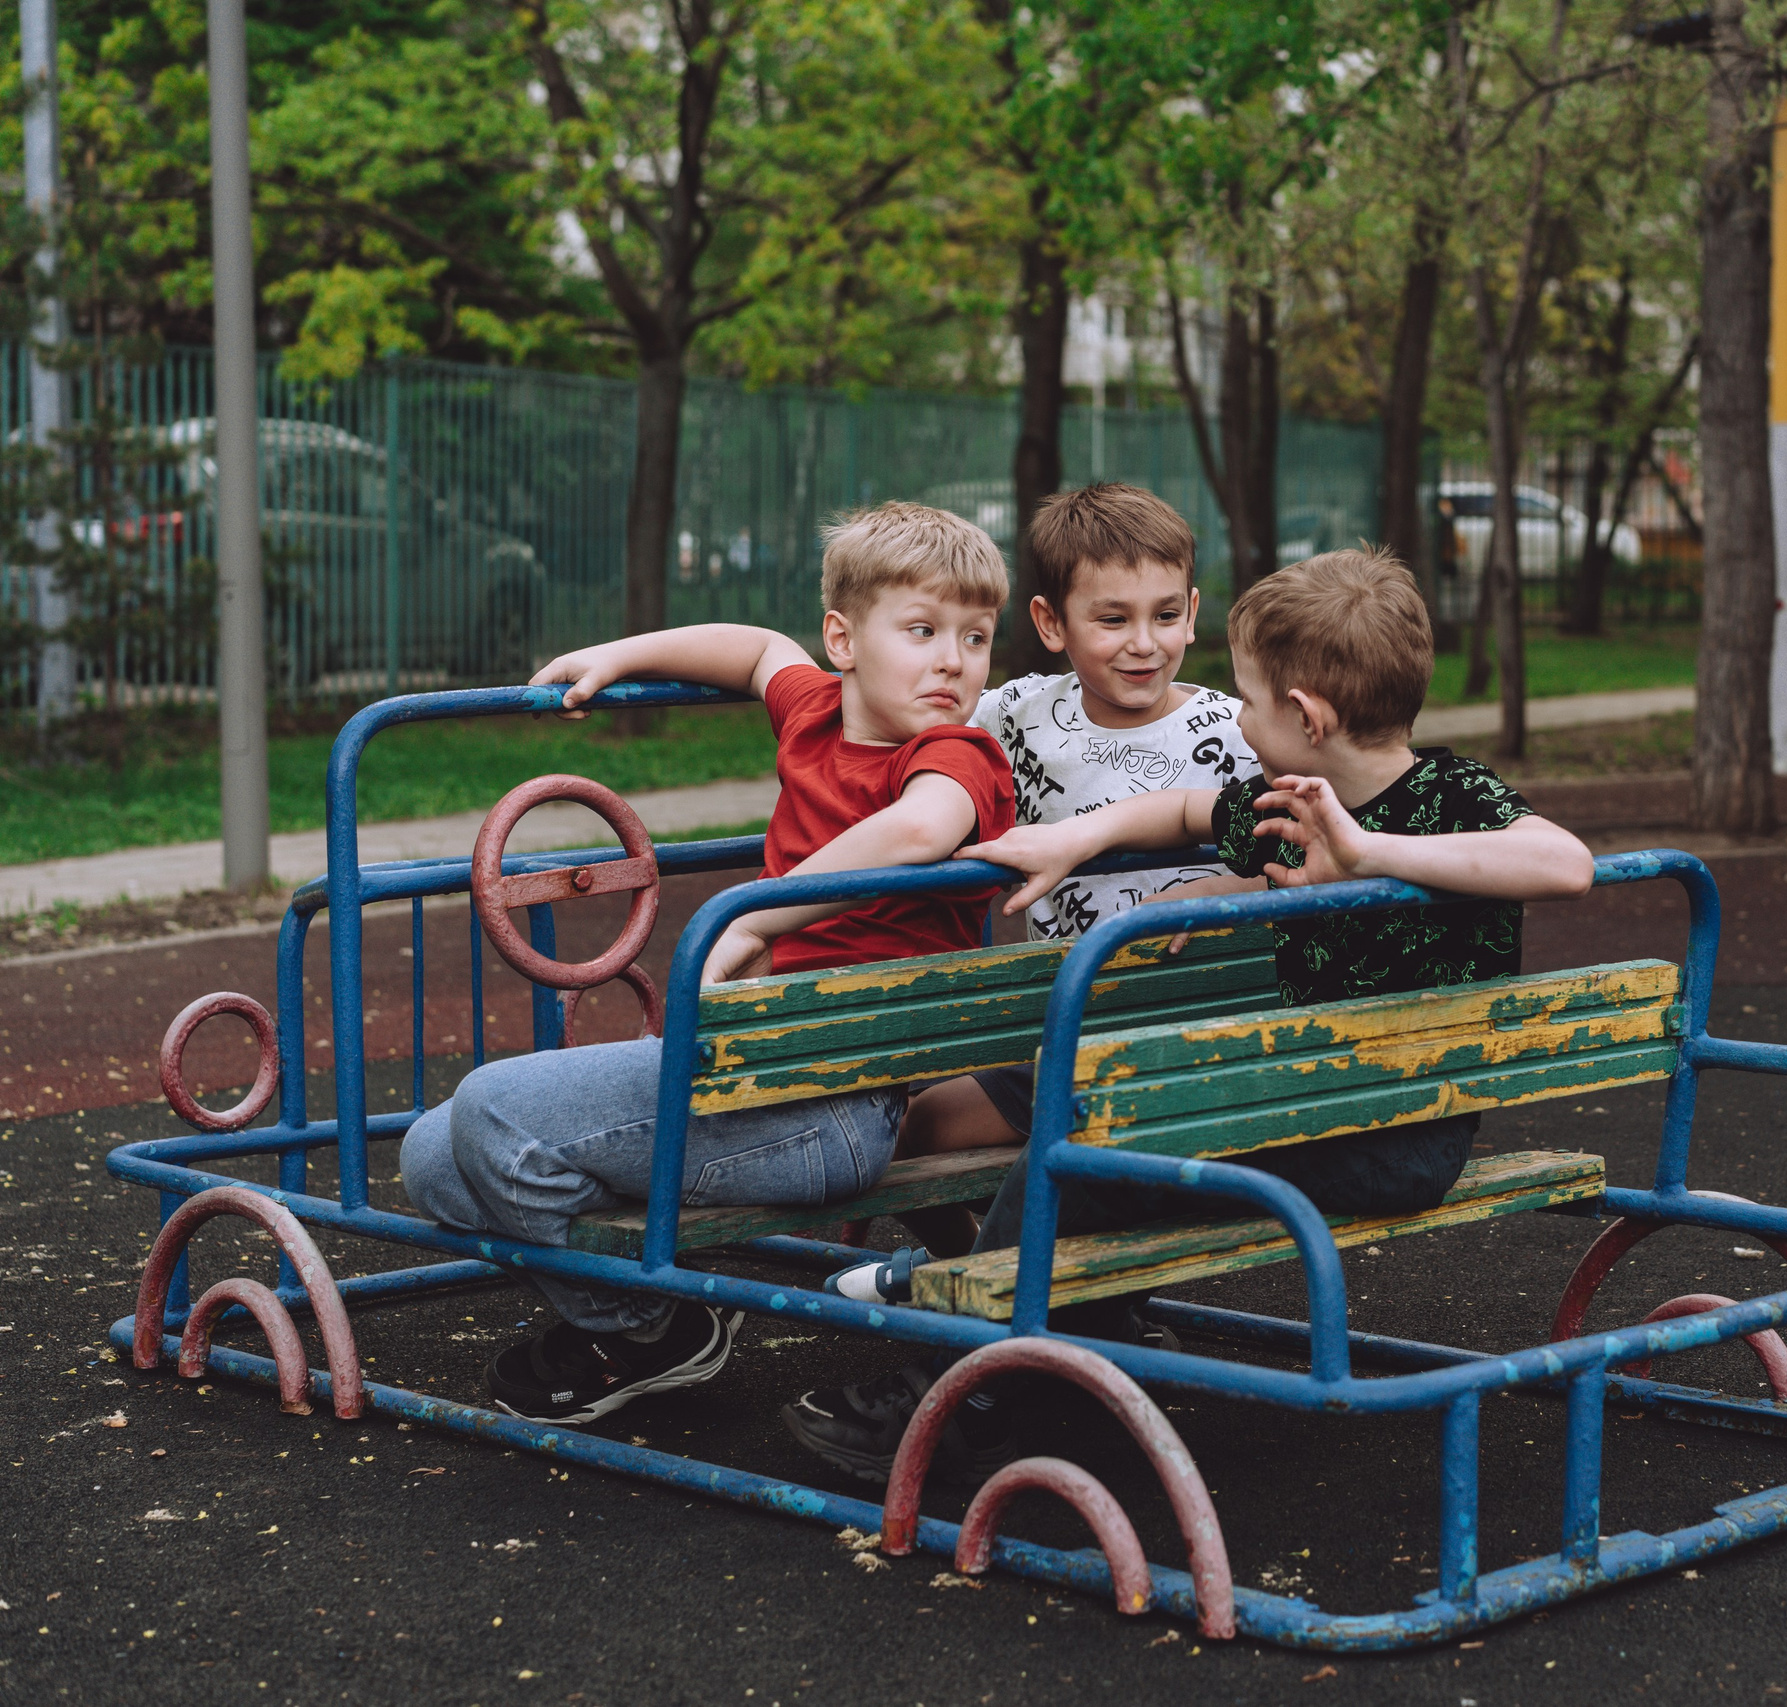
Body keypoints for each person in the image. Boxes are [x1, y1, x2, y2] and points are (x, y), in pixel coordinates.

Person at [778, 548, 1594, 1484]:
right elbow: (1181, 809)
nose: (1238, 721)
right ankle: (1054, 1359)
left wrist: (1374, 853)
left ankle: (965, 1396)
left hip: (1392, 1136)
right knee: (1098, 1129)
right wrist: (1084, 837)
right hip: (1317, 1106)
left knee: (1092, 1139)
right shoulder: (1292, 803)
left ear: (1307, 716)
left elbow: (1564, 862)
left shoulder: (1446, 797)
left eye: (1248, 701)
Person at [397, 501, 1017, 1425]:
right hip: (749, 1069)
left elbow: (923, 830)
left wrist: (753, 917)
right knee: (431, 1156)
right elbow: (759, 647)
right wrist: (619, 655)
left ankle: (643, 1328)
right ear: (843, 641)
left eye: (975, 638)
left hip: (834, 1104)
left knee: (492, 1109)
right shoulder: (813, 716)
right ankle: (646, 1311)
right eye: (922, 631)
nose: (952, 660)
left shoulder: (953, 758)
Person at [854, 483, 1258, 1270]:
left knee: (1067, 1151)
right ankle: (973, 1269)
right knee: (901, 1137)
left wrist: (1228, 888)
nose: (1145, 642)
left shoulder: (1239, 729)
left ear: (1194, 609)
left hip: (1183, 1035)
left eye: (1166, 614)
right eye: (1112, 619)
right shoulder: (1016, 715)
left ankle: (1037, 1294)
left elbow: (1316, 850)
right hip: (1065, 1029)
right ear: (1051, 623)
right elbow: (897, 710)